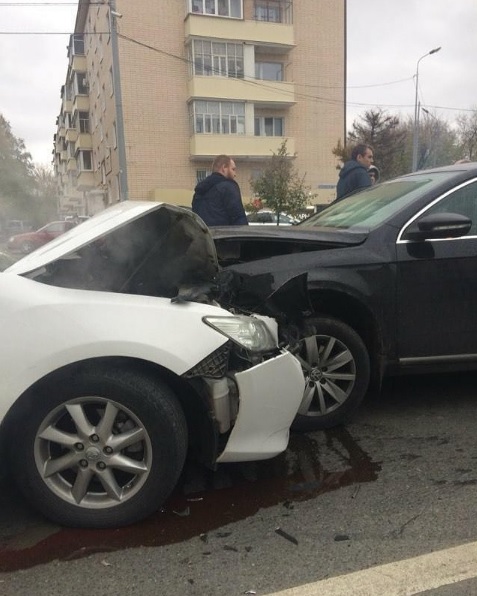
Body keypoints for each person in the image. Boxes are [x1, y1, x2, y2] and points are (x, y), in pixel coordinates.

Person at [192, 155, 248, 226]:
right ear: (224, 168)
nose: (235, 174)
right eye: (233, 169)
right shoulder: (228, 187)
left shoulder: (199, 191)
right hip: (224, 232)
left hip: (203, 232)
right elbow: (238, 217)